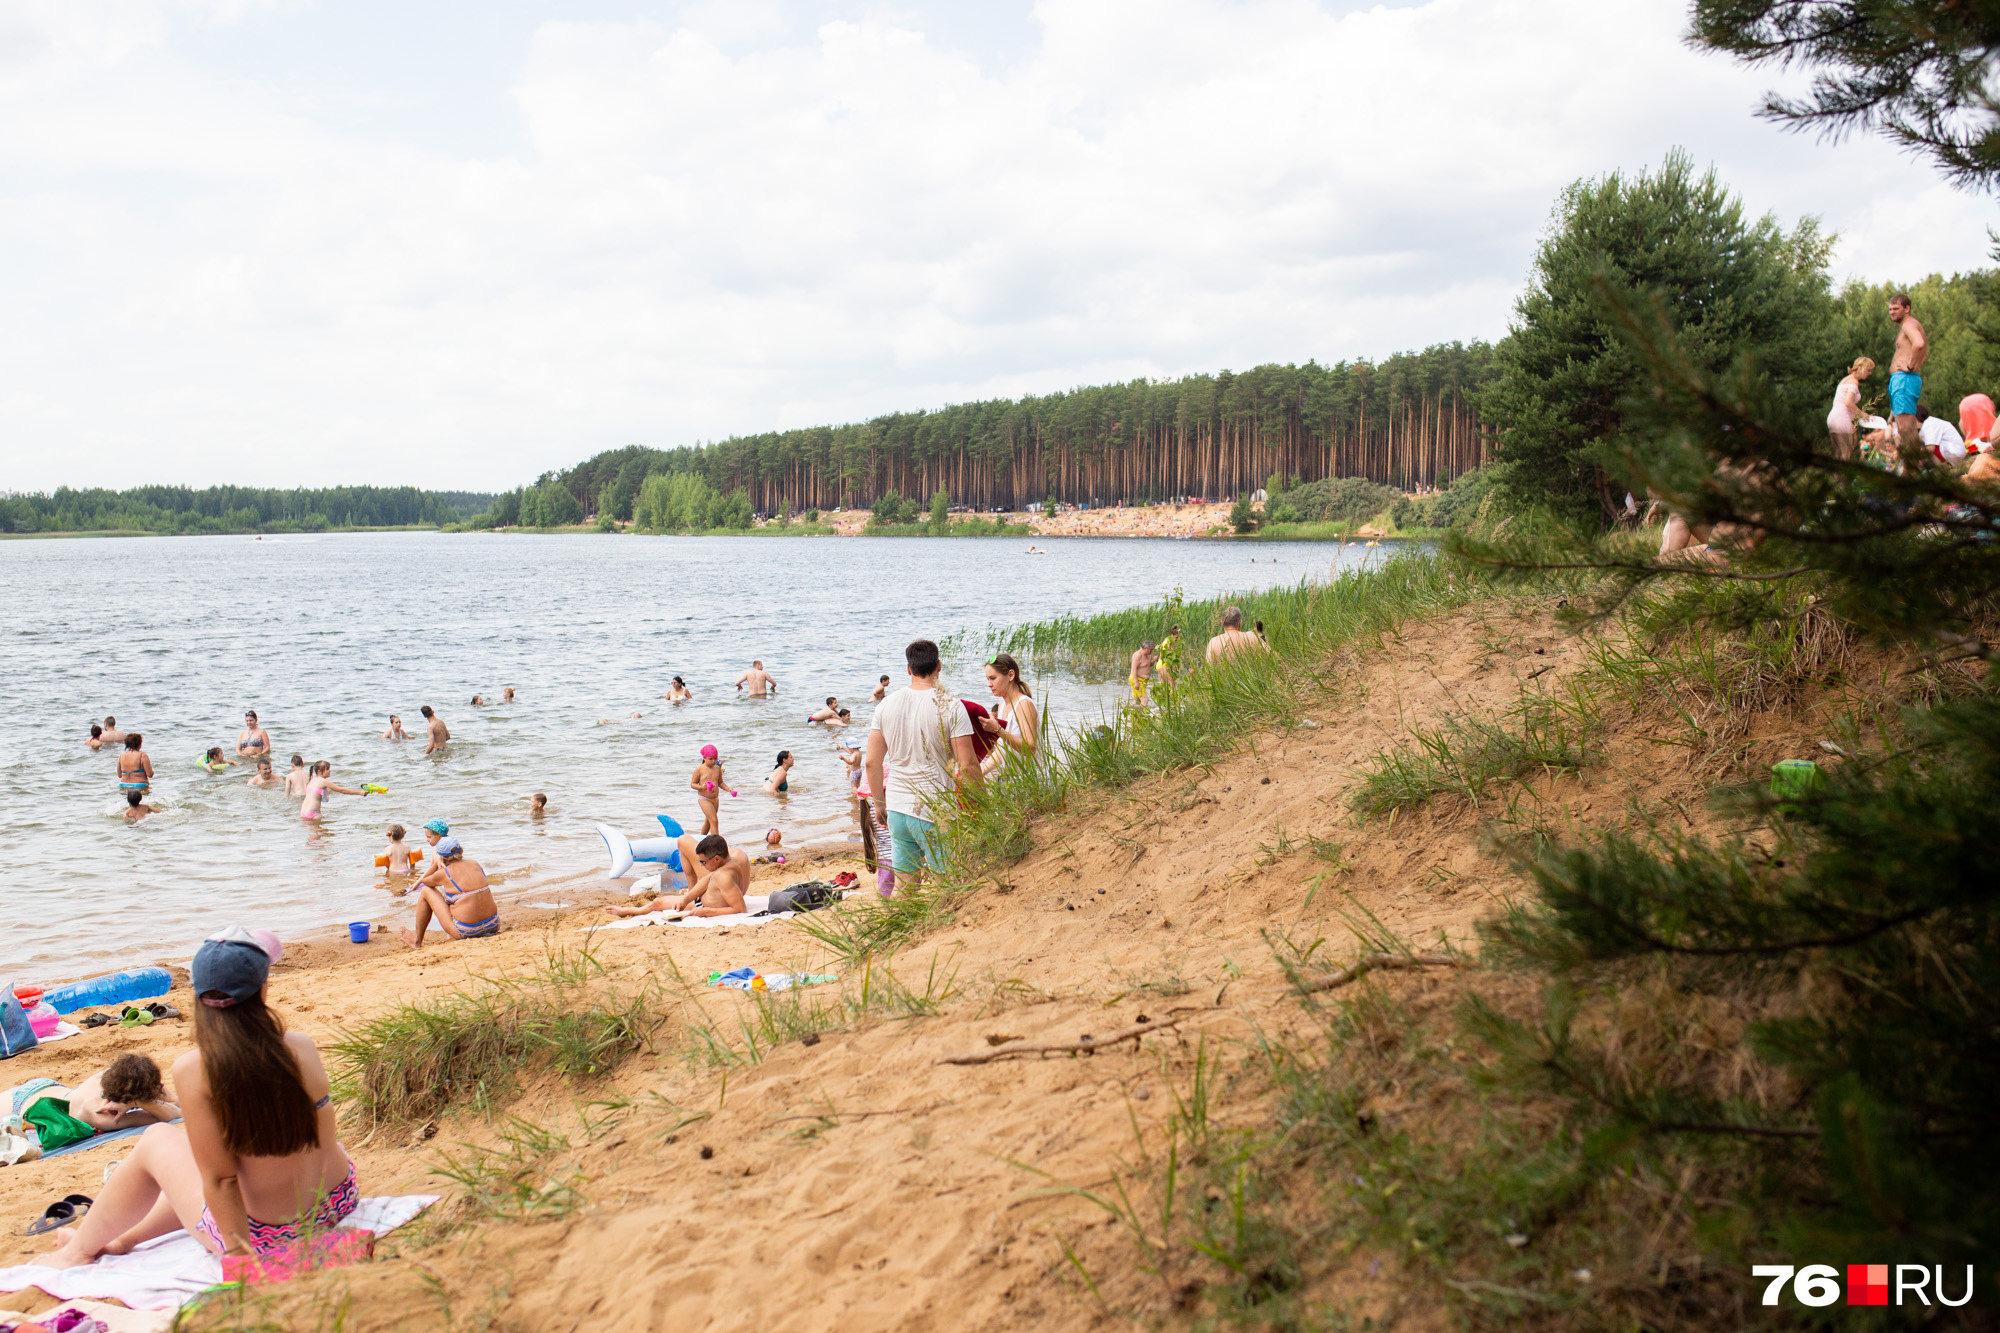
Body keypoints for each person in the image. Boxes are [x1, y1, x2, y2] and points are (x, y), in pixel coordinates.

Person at [45, 928, 356, 1270]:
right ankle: (122, 1240)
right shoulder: (301, 1045)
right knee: (196, 1160)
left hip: (270, 1234)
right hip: (337, 1200)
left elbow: (220, 1181)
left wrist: (238, 1259)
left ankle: (76, 1253)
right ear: (263, 989)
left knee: (159, 1140)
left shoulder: (195, 1069)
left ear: (198, 997)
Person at [866, 639, 981, 895]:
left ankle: (895, 931)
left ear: (908, 669)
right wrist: (982, 802)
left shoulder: (886, 705)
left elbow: (872, 762)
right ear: (939, 665)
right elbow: (969, 764)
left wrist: (879, 804)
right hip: (933, 810)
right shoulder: (951, 705)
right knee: (947, 884)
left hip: (897, 806)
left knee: (905, 886)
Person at [19, 1055, 179, 1141]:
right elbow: (175, 1115)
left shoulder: (114, 1075)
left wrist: (136, 1100)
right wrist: (139, 1101)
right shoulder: (102, 1115)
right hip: (19, 1105)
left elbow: (176, 1102)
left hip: (51, 1088)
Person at [605, 833, 749, 918]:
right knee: (669, 901)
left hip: (704, 903)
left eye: (703, 862)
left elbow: (740, 910)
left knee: (658, 903)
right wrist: (685, 899)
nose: (701, 865)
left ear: (717, 859)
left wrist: (706, 911)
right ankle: (687, 894)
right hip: (719, 894)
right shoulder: (735, 858)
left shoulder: (722, 876)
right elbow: (709, 879)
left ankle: (631, 911)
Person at [399, 838, 499, 946]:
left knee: (426, 891)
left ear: (442, 857)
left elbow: (425, 881)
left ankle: (416, 941)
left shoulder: (444, 873)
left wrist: (435, 865)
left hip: (467, 931)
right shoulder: (475, 864)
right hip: (493, 924)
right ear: (461, 850)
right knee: (461, 896)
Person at [977, 652, 1039, 772]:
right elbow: (1001, 751)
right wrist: (980, 773)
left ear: (1010, 675)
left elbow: (1030, 749)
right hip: (1010, 780)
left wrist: (998, 730)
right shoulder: (1001, 707)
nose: (989, 684)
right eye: (988, 679)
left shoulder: (1024, 704)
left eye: (993, 678)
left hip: (1030, 780)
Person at [1890, 293, 1929, 452]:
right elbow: (1924, 354)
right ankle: (1910, 470)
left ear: (1907, 309)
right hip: (1902, 380)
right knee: (1904, 428)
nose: (1892, 312)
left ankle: (1912, 473)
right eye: (1890, 309)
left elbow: (1919, 344)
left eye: (1896, 308)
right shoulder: (1910, 325)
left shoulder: (1908, 324)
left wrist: (1910, 367)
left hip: (1904, 379)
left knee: (1906, 429)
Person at [1827, 357, 1873, 460]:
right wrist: (1862, 414)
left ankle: (1837, 475)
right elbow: (1848, 402)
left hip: (1834, 417)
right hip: (1841, 419)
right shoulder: (1854, 382)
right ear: (1860, 368)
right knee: (1845, 454)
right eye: (1868, 370)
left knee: (1837, 454)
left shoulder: (1845, 379)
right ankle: (1842, 475)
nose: (1869, 373)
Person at [690, 745, 735, 835]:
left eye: (715, 758)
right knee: (714, 821)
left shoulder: (717, 769)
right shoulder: (699, 769)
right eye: (711, 759)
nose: (714, 761)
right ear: (704, 758)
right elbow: (692, 784)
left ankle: (701, 841)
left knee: (708, 823)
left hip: (715, 799)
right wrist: (702, 787)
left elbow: (720, 783)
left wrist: (729, 789)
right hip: (704, 798)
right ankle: (716, 845)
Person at [299, 761, 366, 821]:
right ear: (319, 771)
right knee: (320, 834)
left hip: (303, 812)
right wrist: (360, 792)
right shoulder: (323, 781)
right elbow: (342, 790)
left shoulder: (311, 781)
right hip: (314, 813)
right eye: (327, 769)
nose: (330, 771)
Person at [1129, 640, 1159, 705]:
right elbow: (1134, 669)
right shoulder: (1137, 655)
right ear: (1145, 648)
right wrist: (1136, 682)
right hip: (1137, 680)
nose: (1152, 651)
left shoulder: (1147, 655)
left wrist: (1153, 660)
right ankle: (1144, 715)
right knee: (1145, 700)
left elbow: (1148, 665)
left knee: (1137, 701)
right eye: (1151, 649)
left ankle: (1136, 713)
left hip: (1143, 681)